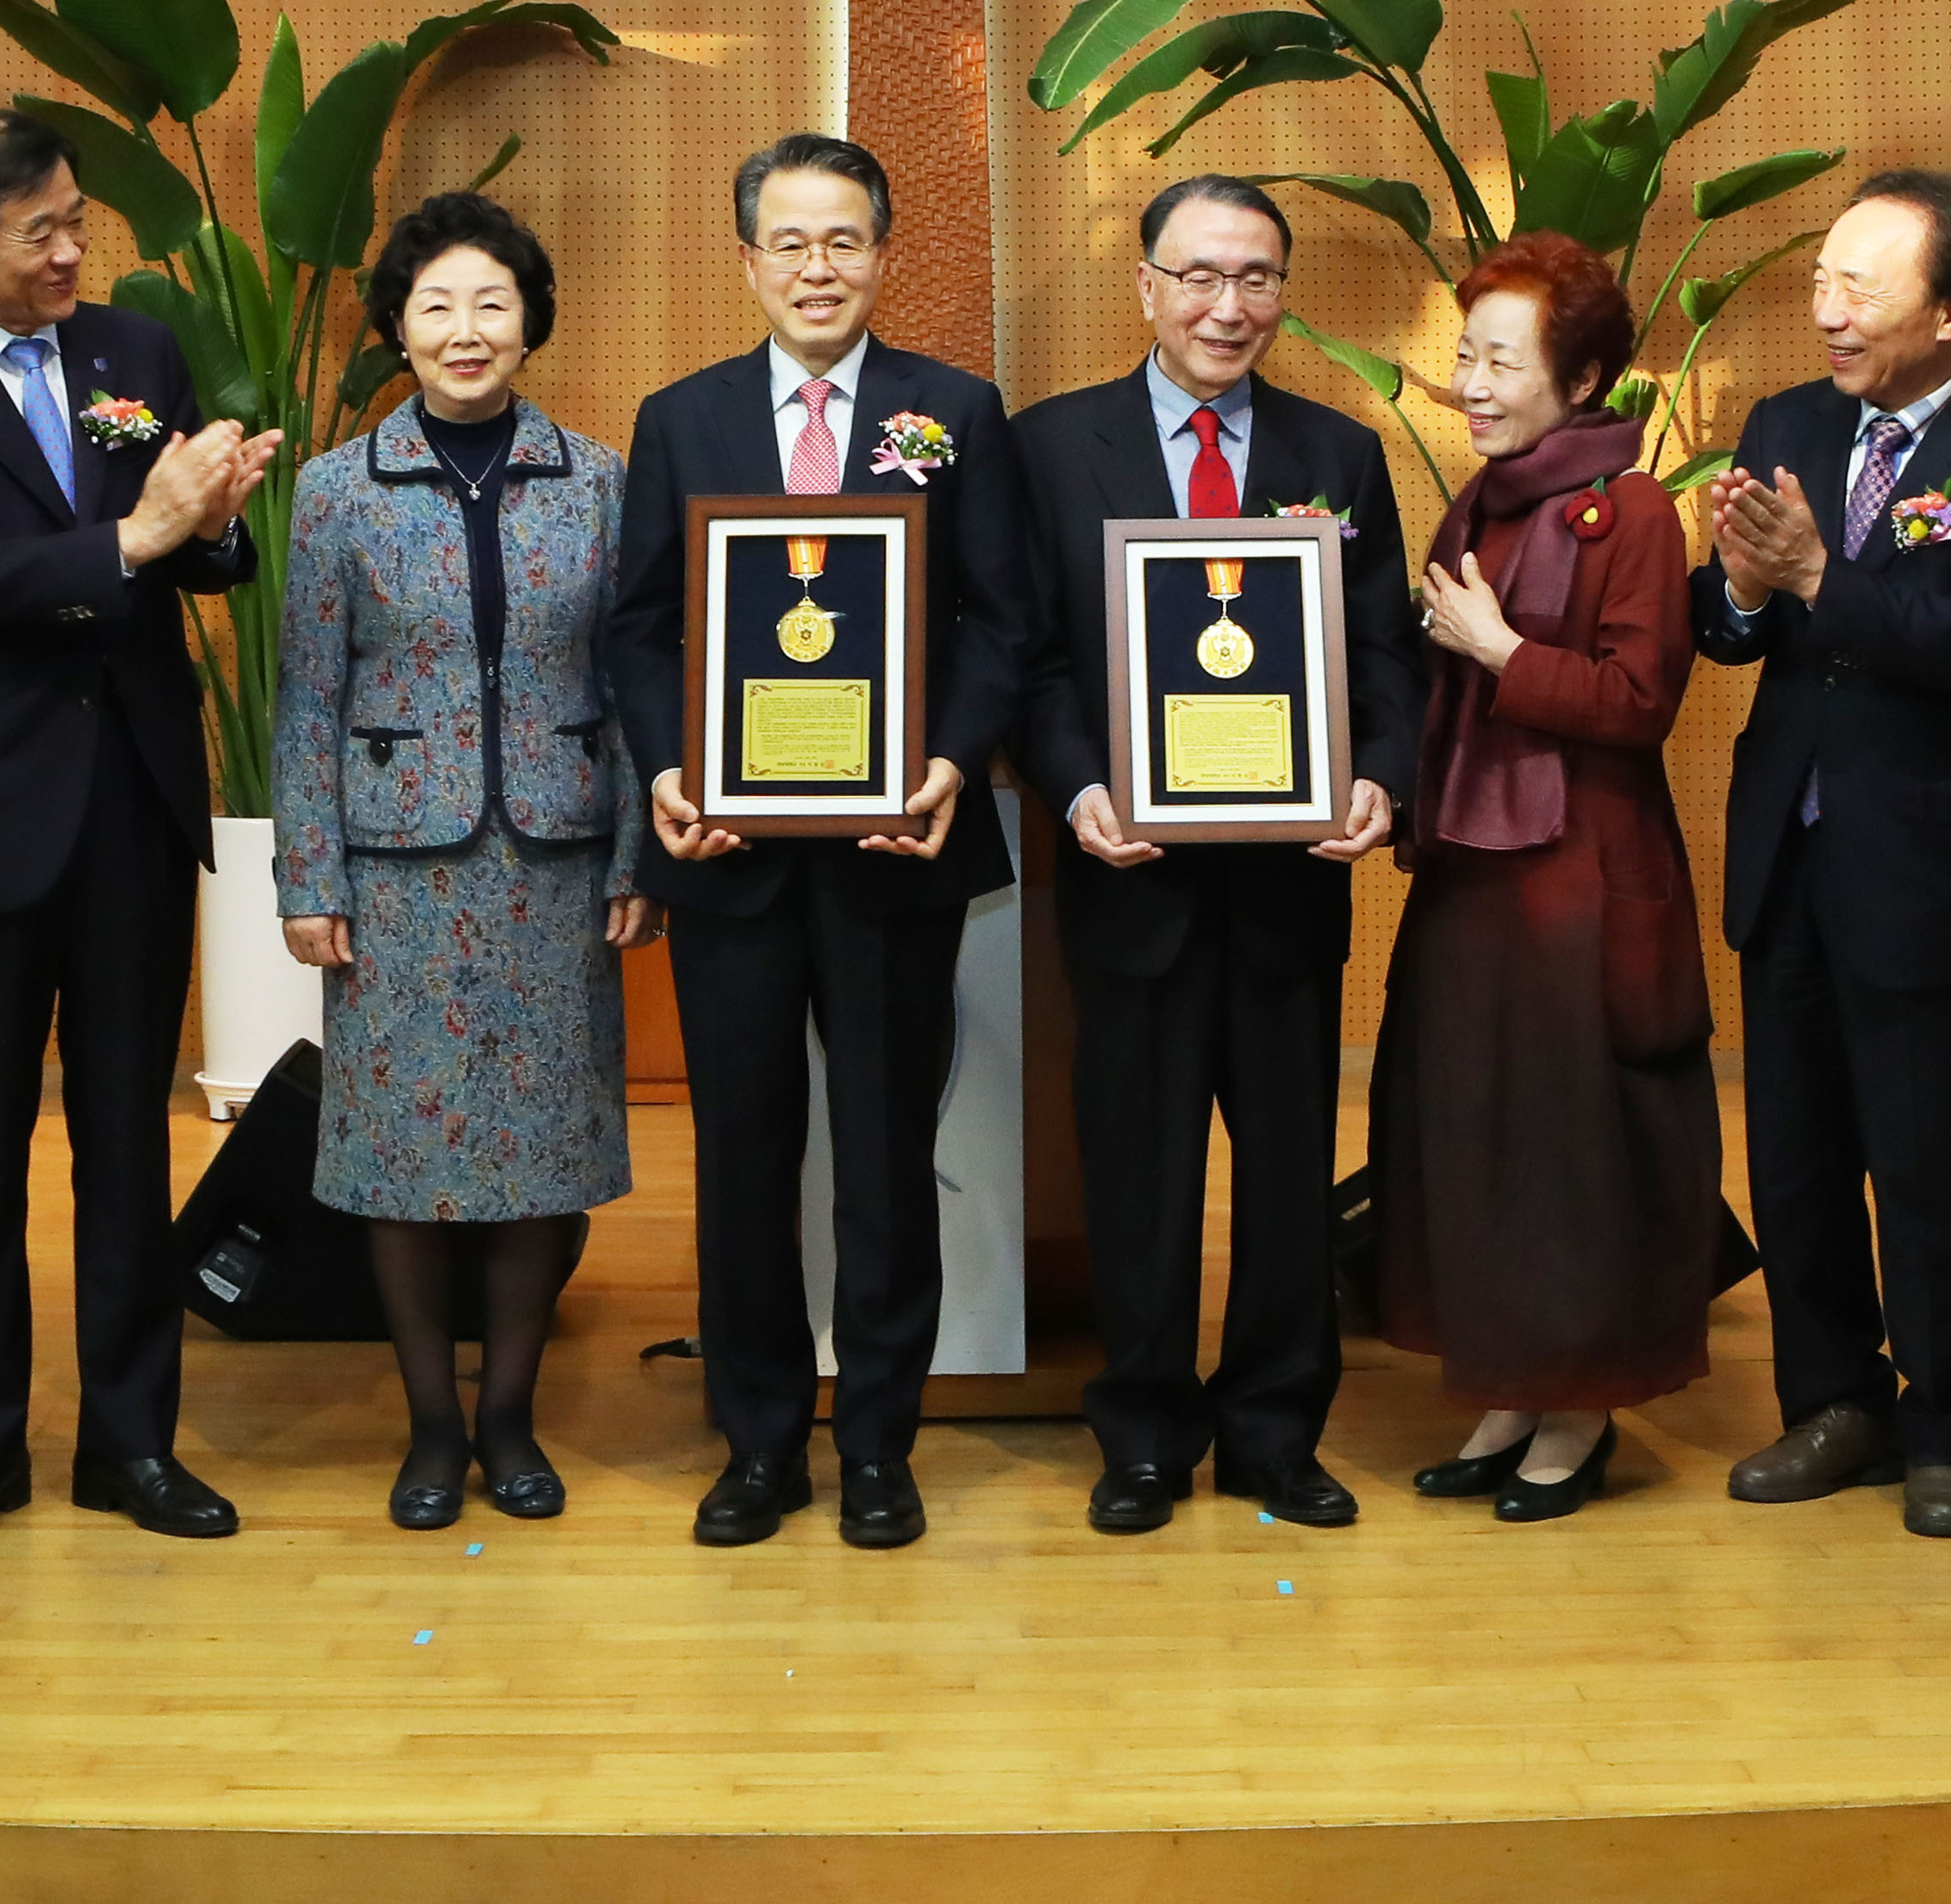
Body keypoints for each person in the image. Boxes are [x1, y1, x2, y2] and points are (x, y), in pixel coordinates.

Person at [0, 109, 275, 1552]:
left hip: (132, 799)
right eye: (40, 233)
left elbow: (203, 557)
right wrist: (138, 537)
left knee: (126, 1143)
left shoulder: (132, 350)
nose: (74, 252)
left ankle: (131, 1443)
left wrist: (214, 520)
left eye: (78, 220)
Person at [598, 132, 1028, 1551]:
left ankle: (882, 1447)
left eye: (844, 240)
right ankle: (760, 1443)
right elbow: (641, 627)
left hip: (894, 854)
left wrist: (948, 763)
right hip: (731, 858)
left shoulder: (951, 410)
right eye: (790, 243)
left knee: (887, 1157)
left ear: (883, 255)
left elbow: (999, 620)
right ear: (749, 262)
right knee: (742, 1157)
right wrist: (673, 770)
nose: (818, 268)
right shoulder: (683, 418)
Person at [1010, 177, 1412, 1533]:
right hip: (1131, 882)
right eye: (1198, 276)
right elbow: (1030, 656)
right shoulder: (1050, 449)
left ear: (1283, 294)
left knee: (1290, 1174)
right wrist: (1077, 791)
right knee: (1139, 1174)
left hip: (1290, 886)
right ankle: (1141, 1436)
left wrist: (1378, 778)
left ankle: (1275, 1436)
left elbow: (1384, 655)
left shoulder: (1338, 455)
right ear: (1146, 286)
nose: (1226, 306)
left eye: (1255, 279)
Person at [1694, 171, 1951, 1542]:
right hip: (1787, 856)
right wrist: (1743, 591)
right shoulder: (1788, 423)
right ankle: (1832, 1405)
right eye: (1824, 280)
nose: (1830, 310)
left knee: (1933, 1167)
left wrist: (1814, 577)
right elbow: (1724, 631)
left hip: (1925, 871)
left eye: (1863, 287)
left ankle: (1946, 1427)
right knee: (1797, 1162)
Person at [272, 192, 651, 1528]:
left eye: (492, 302)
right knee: (402, 1155)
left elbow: (632, 680)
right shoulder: (335, 491)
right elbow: (308, 695)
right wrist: (308, 878)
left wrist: (635, 856)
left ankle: (511, 1419)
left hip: (556, 859)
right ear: (397, 328)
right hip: (394, 873)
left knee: (542, 1152)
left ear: (531, 322)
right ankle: (433, 1426)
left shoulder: (598, 480)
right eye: (436, 304)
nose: (466, 328)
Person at [1370, 231, 1715, 1521]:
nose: (1472, 384)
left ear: (1581, 383)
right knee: (1476, 1132)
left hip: (1585, 880)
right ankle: (1509, 1391)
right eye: (1466, 355)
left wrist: (1501, 649)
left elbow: (1640, 702)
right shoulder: (1482, 500)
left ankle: (1580, 1414)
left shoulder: (1634, 512)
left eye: (1502, 363)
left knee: (1575, 1151)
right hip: (1472, 875)